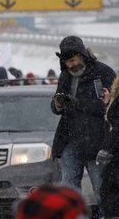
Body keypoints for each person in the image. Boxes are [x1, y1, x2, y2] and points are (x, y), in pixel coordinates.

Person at [50, 35, 116, 195]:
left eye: (73, 60)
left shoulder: (103, 73)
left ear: (82, 55)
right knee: (69, 186)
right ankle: (71, 217)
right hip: (69, 139)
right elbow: (57, 105)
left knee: (100, 186)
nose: (71, 65)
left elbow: (111, 107)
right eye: (68, 62)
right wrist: (58, 104)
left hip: (97, 140)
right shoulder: (65, 76)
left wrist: (78, 103)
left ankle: (106, 217)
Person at [96, 75, 119, 219]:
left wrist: (107, 149)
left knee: (109, 193)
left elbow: (116, 127)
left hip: (115, 156)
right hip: (114, 155)